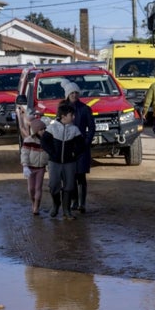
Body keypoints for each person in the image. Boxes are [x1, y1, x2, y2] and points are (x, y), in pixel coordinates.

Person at [41, 103, 85, 220]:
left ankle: (67, 210)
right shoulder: (52, 127)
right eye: (71, 115)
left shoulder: (74, 129)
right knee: (53, 184)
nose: (73, 117)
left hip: (69, 163)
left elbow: (81, 145)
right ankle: (56, 204)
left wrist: (74, 153)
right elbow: (44, 142)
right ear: (64, 116)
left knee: (69, 185)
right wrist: (52, 153)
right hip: (54, 162)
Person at [60, 81, 94, 212]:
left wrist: (86, 142)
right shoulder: (63, 109)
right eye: (71, 93)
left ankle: (82, 203)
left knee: (81, 175)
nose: (74, 95)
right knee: (70, 175)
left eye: (76, 92)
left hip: (81, 147)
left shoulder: (85, 109)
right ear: (67, 95)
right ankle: (74, 201)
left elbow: (91, 128)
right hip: (67, 146)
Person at [21, 117, 49, 215]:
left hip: (41, 168)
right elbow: (24, 153)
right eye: (41, 129)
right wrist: (25, 166)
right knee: (31, 188)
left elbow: (49, 154)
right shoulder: (29, 140)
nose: (43, 131)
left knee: (38, 187)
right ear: (36, 131)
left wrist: (48, 165)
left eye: (44, 129)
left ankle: (36, 206)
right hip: (30, 167)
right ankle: (33, 202)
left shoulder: (46, 140)